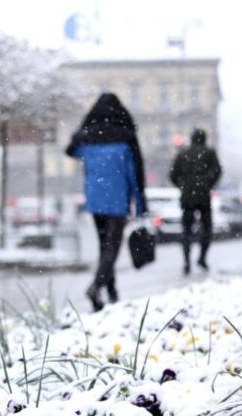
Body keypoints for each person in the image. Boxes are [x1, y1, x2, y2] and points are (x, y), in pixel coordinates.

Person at [66, 92, 146, 312]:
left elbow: (70, 149)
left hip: (95, 199)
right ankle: (96, 286)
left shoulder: (88, 140)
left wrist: (83, 129)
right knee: (112, 247)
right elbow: (135, 172)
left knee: (104, 246)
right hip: (118, 199)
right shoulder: (125, 138)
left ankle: (111, 292)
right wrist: (140, 204)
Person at [169, 128, 222, 275]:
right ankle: (202, 258)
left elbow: (173, 174)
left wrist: (183, 186)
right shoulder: (209, 153)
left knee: (186, 230)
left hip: (187, 198)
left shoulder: (183, 154)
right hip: (204, 197)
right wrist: (208, 184)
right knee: (207, 228)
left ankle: (186, 261)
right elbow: (217, 171)